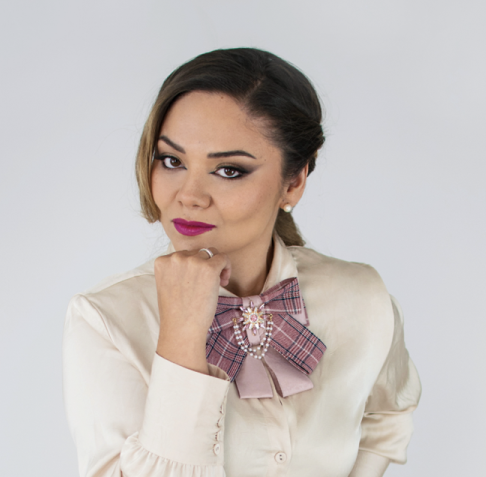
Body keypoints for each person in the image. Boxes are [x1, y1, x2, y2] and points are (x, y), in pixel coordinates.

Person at [62, 48, 421, 477]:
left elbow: (388, 415)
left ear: (293, 182)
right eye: (172, 161)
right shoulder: (107, 320)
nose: (189, 196)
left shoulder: (361, 297)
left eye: (229, 170)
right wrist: (180, 338)